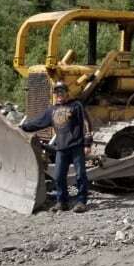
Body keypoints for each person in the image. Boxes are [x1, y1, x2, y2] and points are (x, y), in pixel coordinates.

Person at [20, 81, 93, 213]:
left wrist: (87, 143)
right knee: (59, 176)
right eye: (57, 92)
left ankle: (81, 201)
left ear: (67, 93)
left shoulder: (76, 105)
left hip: (76, 146)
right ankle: (62, 202)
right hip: (61, 148)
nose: (59, 95)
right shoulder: (52, 110)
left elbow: (86, 124)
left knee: (80, 175)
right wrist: (23, 127)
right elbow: (39, 122)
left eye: (62, 92)